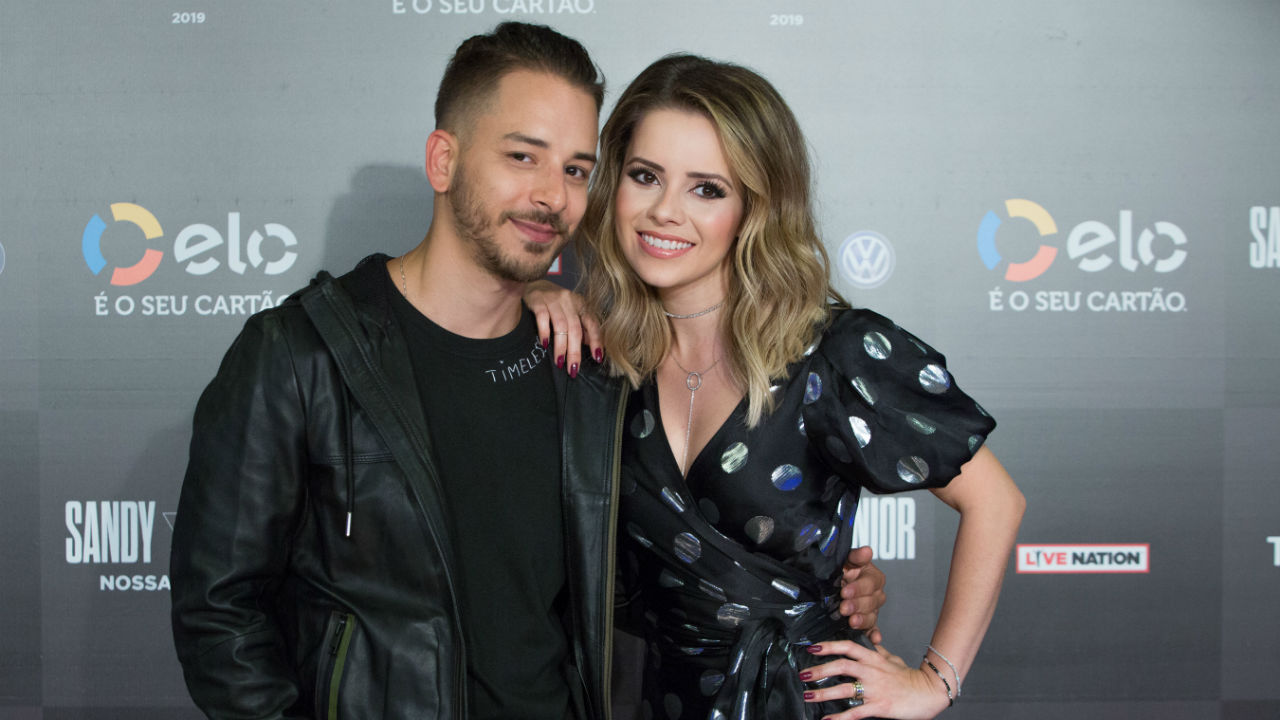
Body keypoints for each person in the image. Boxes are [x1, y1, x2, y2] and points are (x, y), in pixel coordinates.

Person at [170, 23, 887, 720]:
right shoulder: (301, 355)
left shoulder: (586, 371)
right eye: (522, 157)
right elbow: (218, 611)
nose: (553, 196)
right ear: (443, 161)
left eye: (576, 169)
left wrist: (818, 586)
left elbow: (644, 576)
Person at [569, 54, 1026, 720]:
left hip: (803, 703)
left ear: (755, 205)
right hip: (655, 700)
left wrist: (935, 681)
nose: (665, 212)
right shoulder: (602, 359)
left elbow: (996, 501)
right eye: (645, 177)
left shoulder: (832, 354)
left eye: (707, 189)